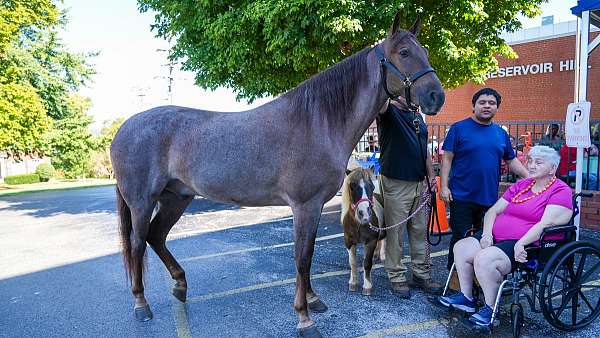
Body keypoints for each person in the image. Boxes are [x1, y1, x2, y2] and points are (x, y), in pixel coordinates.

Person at [437, 145, 573, 326]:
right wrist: (486, 235)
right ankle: (467, 298)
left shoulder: (560, 191)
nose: (531, 166)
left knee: (484, 260)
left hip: (528, 243)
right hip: (496, 236)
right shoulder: (522, 185)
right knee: (461, 248)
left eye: (538, 162)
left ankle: (490, 308)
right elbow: (493, 211)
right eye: (530, 161)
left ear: (552, 168)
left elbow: (546, 224)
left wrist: (520, 243)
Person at [440, 88, 529, 270]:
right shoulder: (458, 128)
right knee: (461, 240)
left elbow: (511, 160)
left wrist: (530, 177)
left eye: (491, 103)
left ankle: (477, 281)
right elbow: (446, 159)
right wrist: (444, 187)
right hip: (461, 196)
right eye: (482, 102)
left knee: (485, 240)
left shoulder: (500, 134)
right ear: (474, 106)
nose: (487, 106)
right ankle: (455, 282)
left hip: (489, 199)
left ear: (497, 108)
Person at [377, 98, 441, 299]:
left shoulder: (417, 116)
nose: (415, 97)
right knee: (395, 233)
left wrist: (431, 177)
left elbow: (424, 152)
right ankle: (396, 276)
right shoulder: (387, 112)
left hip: (419, 182)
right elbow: (380, 97)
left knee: (420, 231)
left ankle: (421, 275)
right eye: (410, 92)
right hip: (396, 182)